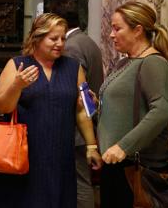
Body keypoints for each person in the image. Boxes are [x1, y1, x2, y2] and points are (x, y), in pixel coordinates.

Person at [0, 13, 102, 208]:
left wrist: (91, 146)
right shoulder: (17, 65)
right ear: (37, 38)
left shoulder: (73, 67)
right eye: (53, 38)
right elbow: (3, 107)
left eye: (63, 38)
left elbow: (82, 109)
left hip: (61, 157)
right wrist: (17, 85)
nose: (60, 43)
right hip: (25, 156)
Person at [98, 1, 168, 207]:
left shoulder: (153, 62)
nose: (111, 34)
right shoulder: (125, 62)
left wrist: (123, 146)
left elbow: (163, 110)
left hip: (137, 168)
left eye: (117, 28)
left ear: (138, 30)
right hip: (115, 164)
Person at [64, 14, 104, 208]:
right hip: (88, 123)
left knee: (79, 184)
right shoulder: (88, 41)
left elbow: (77, 92)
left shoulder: (71, 47)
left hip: (77, 128)